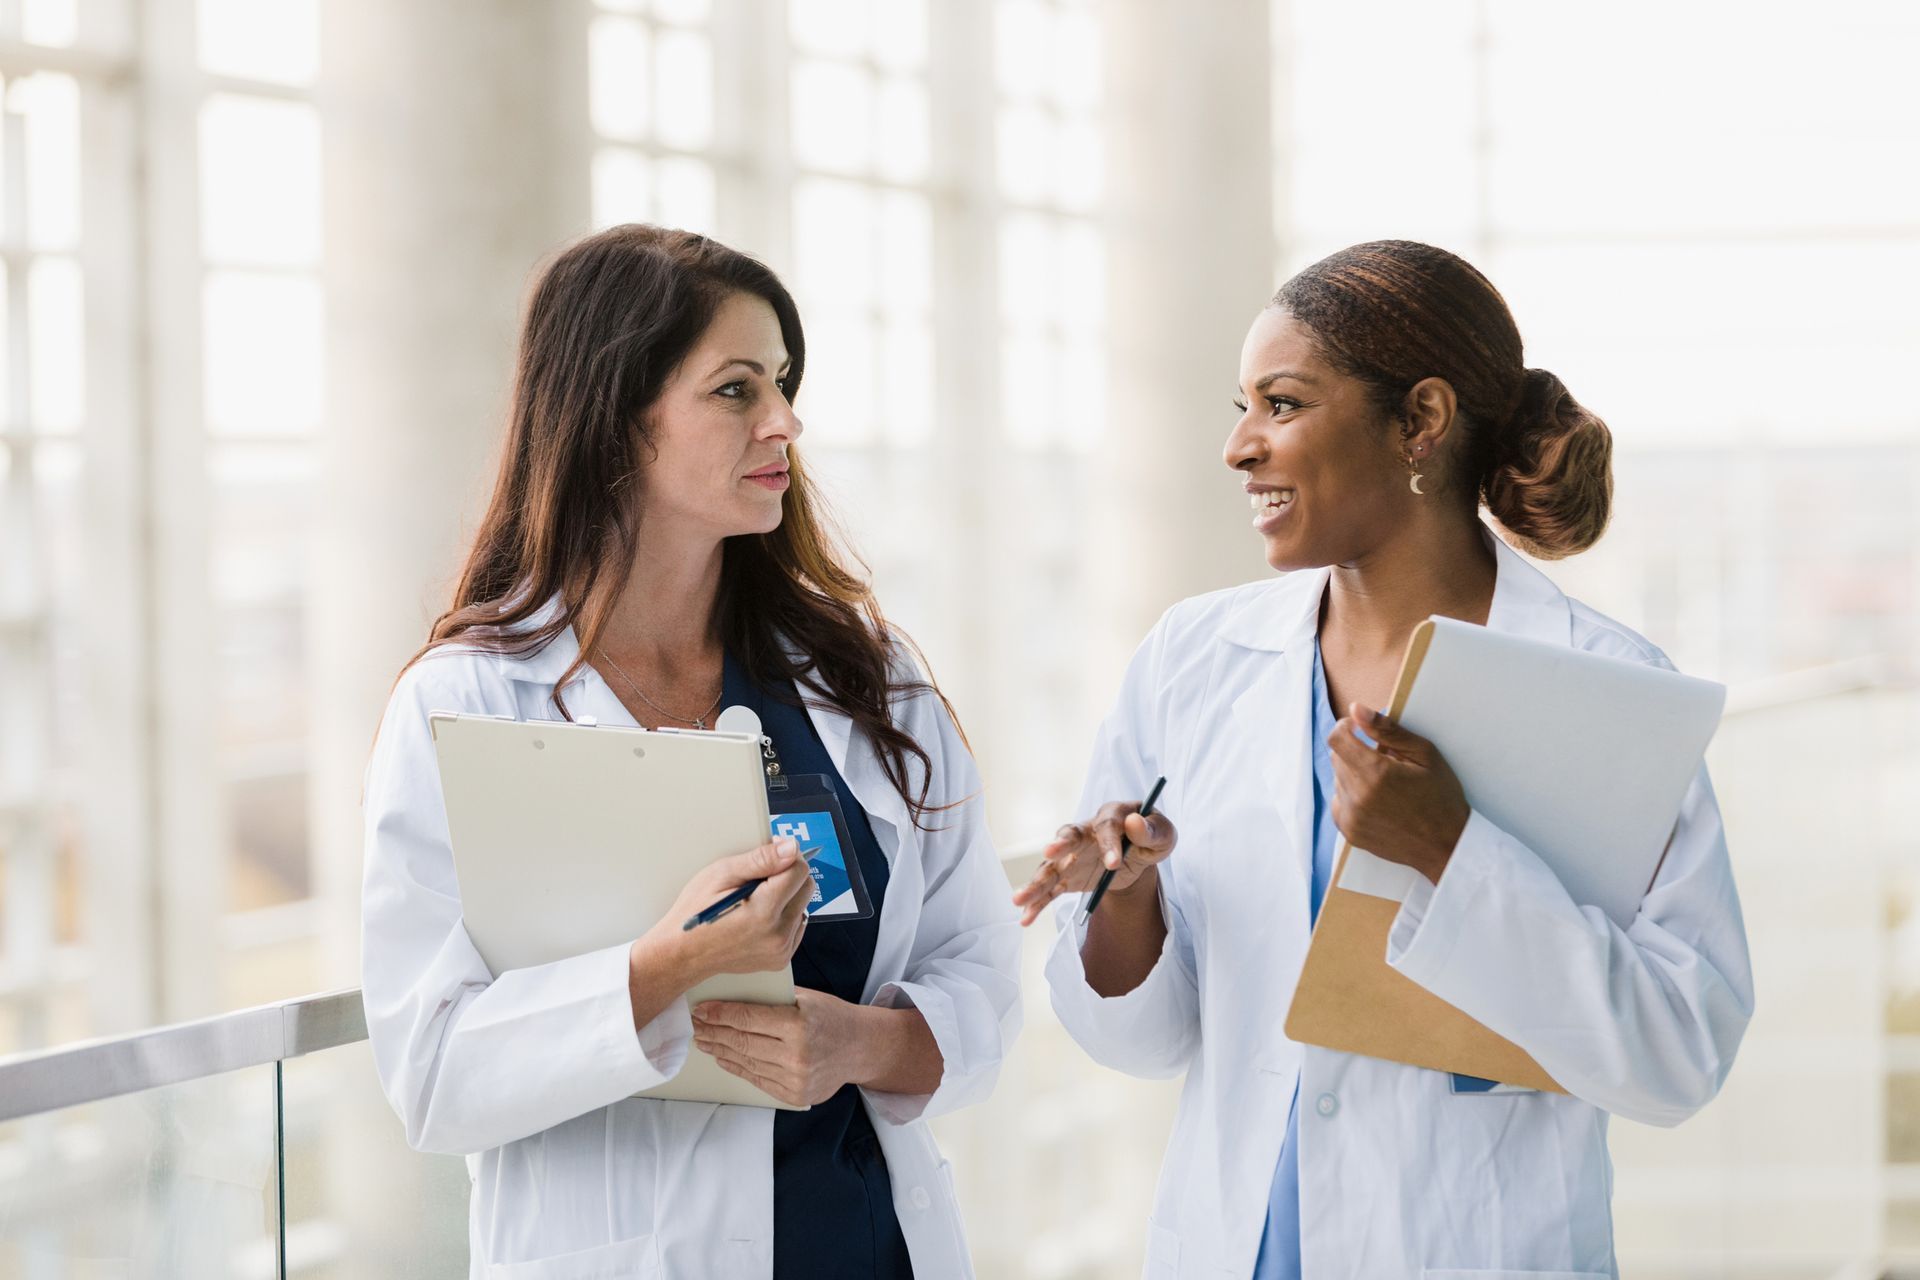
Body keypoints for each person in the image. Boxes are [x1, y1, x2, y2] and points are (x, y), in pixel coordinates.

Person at [1013, 240, 1753, 1279]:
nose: (1238, 445)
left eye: (1282, 403)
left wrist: (1454, 852)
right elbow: (1143, 1040)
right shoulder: (1193, 658)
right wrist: (1127, 896)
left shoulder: (1603, 687)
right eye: (1242, 405)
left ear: (1421, 420)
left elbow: (1681, 1051)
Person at [361, 224, 1021, 1279]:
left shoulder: (866, 676)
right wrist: (675, 963)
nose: (785, 421)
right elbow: (433, 1074)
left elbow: (980, 975)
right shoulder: (468, 700)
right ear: (617, 418)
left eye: (784, 383)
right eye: (737, 389)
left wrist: (859, 1043)